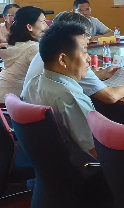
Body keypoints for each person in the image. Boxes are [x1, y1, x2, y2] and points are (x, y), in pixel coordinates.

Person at [22, 11, 124, 105]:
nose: (87, 40)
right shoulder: (73, 60)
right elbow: (110, 97)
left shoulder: (47, 52)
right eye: (85, 35)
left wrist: (102, 73)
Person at [22, 21, 97, 157]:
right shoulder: (69, 98)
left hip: (45, 162)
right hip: (80, 167)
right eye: (84, 52)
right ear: (62, 60)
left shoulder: (32, 84)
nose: (89, 58)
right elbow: (95, 150)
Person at [0, 6, 48, 101]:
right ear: (29, 27)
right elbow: (47, 76)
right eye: (43, 22)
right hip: (6, 103)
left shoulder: (19, 44)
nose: (47, 26)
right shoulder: (33, 48)